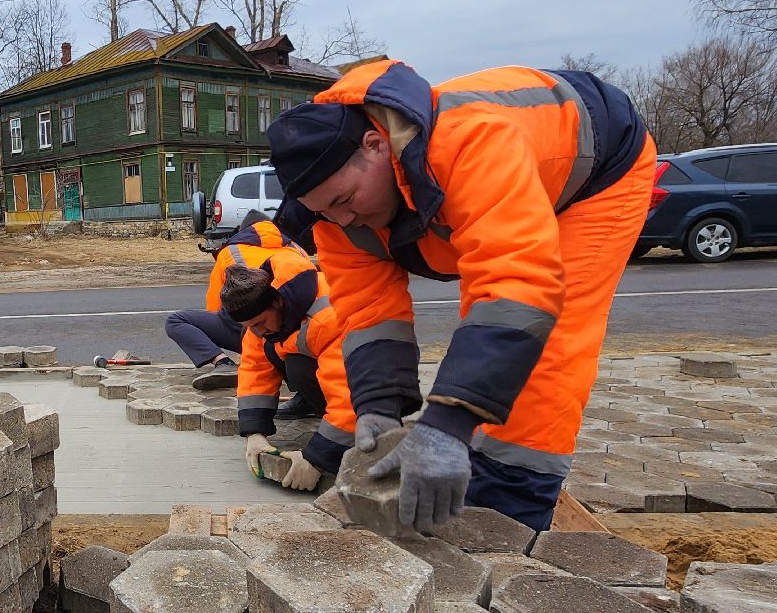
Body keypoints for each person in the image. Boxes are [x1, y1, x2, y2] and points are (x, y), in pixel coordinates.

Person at [267, 58, 655, 532]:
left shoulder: (470, 141)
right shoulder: (332, 217)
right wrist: (376, 406)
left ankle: (512, 513)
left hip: (596, 173)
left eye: (345, 201)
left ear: (376, 144)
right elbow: (369, 311)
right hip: (471, 186)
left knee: (549, 346)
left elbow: (513, 284)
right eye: (325, 211)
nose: (342, 220)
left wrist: (447, 425)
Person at [219, 254, 355, 491]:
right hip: (337, 372)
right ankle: (323, 414)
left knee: (298, 366)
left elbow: (348, 395)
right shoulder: (265, 311)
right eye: (253, 327)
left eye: (261, 323)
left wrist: (319, 458)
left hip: (384, 377)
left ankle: (357, 432)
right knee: (271, 349)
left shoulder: (328, 314)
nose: (259, 331)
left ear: (277, 302)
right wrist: (255, 432)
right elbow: (255, 369)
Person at [164, 212, 293, 393]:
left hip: (249, 331)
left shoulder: (231, 252)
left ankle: (223, 363)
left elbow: (216, 305)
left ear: (244, 231)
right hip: (291, 333)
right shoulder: (295, 248)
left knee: (176, 321)